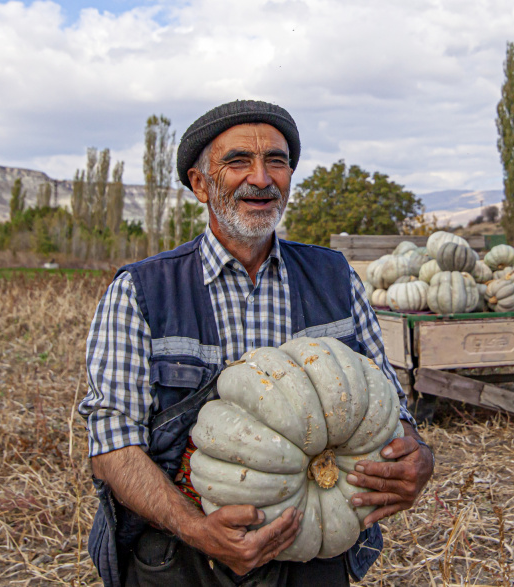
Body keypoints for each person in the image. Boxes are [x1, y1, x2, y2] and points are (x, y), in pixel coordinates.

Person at [78, 100, 435, 586]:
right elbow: (113, 444)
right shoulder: (141, 291)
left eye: (278, 162)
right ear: (200, 184)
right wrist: (197, 528)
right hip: (181, 559)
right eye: (238, 161)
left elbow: (389, 405)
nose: (262, 179)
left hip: (311, 554)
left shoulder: (335, 279)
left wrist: (418, 456)